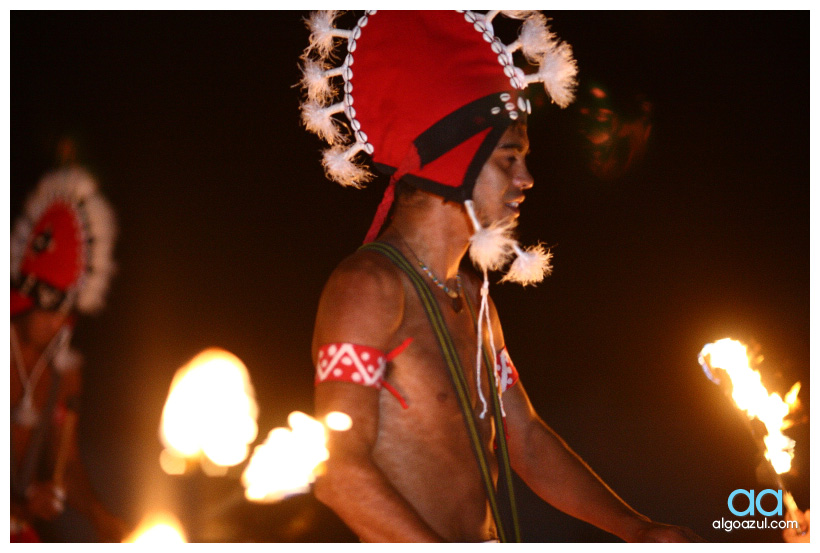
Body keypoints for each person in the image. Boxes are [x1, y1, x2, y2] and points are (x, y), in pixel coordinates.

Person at [300, 11, 701, 542]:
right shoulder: (369, 288)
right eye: (509, 158)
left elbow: (525, 438)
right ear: (454, 161)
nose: (526, 179)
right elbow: (337, 473)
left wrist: (638, 530)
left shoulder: (471, 295)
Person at [10, 161, 129, 542]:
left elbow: (69, 464)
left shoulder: (63, 372)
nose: (57, 325)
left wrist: (101, 518)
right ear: (26, 297)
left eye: (65, 314)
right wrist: (23, 504)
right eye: (49, 311)